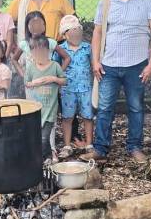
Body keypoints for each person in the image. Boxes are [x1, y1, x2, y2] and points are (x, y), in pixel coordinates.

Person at [81, 0, 151, 164]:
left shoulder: (148, 2)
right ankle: (101, 148)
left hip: (136, 66)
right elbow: (98, 33)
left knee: (135, 107)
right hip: (108, 66)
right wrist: (95, 62)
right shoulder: (106, 2)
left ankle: (134, 147)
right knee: (105, 108)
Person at [54, 15, 94, 159]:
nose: (76, 35)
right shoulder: (61, 49)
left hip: (85, 88)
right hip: (68, 89)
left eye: (78, 32)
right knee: (67, 117)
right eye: (72, 33)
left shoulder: (87, 48)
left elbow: (93, 65)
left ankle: (89, 143)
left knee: (88, 116)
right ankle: (67, 144)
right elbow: (55, 66)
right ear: (65, 34)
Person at [25, 34, 67, 163]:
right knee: (37, 136)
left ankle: (47, 157)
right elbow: (27, 83)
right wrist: (36, 82)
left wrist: (53, 79)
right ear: (31, 53)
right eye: (35, 52)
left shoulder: (54, 66)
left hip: (50, 109)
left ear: (48, 51)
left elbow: (64, 81)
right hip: (36, 110)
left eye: (42, 51)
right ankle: (44, 156)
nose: (39, 54)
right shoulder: (31, 67)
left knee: (45, 137)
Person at [12, 11, 70, 78]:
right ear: (27, 26)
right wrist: (23, 75)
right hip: (32, 83)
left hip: (49, 82)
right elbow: (14, 59)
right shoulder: (24, 44)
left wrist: (59, 74)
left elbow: (67, 58)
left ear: (44, 26)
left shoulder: (50, 42)